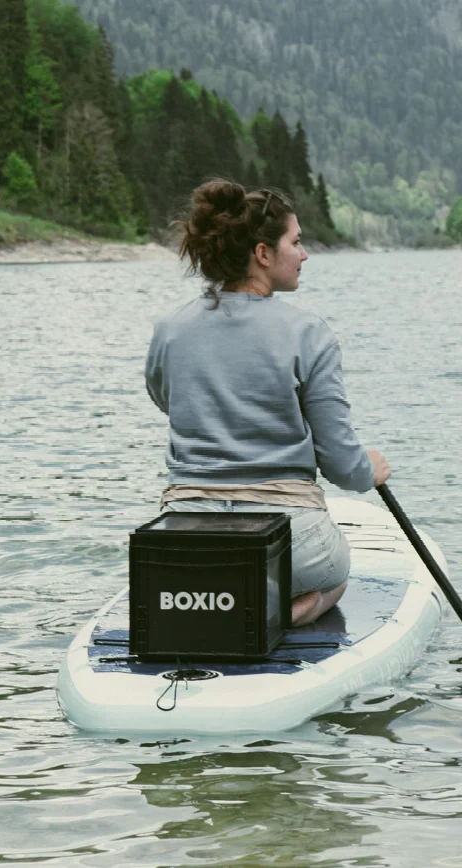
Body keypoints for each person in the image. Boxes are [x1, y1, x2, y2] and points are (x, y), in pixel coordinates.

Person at [145, 179, 390, 627]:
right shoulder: (309, 333)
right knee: (336, 573)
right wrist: (367, 470)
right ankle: (281, 616)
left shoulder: (170, 329)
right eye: (295, 242)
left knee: (207, 572)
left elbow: (168, 400)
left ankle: (213, 609)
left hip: (187, 539)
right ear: (262, 253)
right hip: (292, 545)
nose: (304, 254)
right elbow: (340, 462)